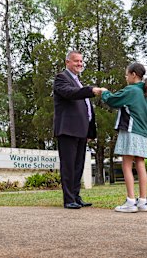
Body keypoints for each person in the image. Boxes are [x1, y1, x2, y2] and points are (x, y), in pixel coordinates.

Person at [100, 63, 147, 213]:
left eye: (126, 74)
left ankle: (131, 201)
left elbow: (112, 100)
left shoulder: (131, 90)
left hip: (131, 131)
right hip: (144, 134)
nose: (125, 77)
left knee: (126, 164)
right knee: (140, 164)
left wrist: (104, 92)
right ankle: (143, 201)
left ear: (133, 75)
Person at [53, 50, 103, 209]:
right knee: (68, 166)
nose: (80, 64)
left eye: (81, 61)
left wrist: (89, 131)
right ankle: (68, 199)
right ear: (67, 62)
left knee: (78, 166)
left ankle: (76, 196)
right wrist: (90, 90)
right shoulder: (61, 78)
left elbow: (86, 108)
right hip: (67, 130)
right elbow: (70, 93)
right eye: (76, 61)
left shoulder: (78, 81)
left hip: (81, 131)